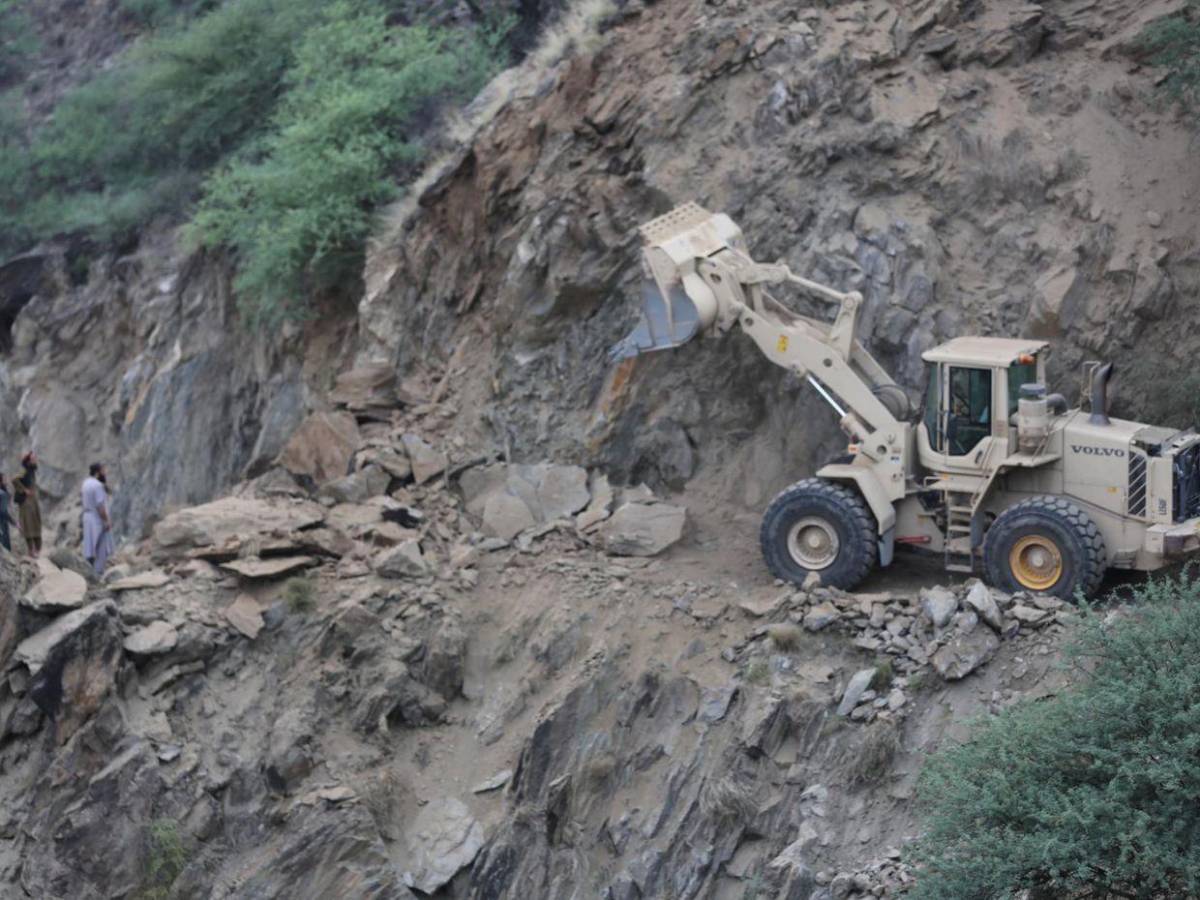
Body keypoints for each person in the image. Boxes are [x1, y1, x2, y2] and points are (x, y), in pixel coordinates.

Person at [82, 462, 114, 575]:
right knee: (100, 547)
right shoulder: (97, 485)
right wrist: (106, 521)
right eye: (103, 470)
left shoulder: (86, 483)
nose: (105, 473)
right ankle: (98, 572)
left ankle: (88, 571)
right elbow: (100, 506)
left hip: (87, 517)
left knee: (89, 546)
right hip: (96, 518)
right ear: (98, 472)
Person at [13, 452, 41, 558]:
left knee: (34, 524)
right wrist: (24, 490)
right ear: (29, 461)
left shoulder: (31, 470)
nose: (35, 459)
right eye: (33, 458)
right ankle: (31, 550)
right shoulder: (25, 471)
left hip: (32, 502)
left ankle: (35, 550)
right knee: (28, 526)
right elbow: (14, 479)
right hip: (26, 503)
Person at [0, 473, 15, 552]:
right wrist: (14, 523)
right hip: (2, 523)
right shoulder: (3, 494)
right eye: (5, 479)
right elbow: (3, 511)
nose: (7, 480)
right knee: (5, 548)